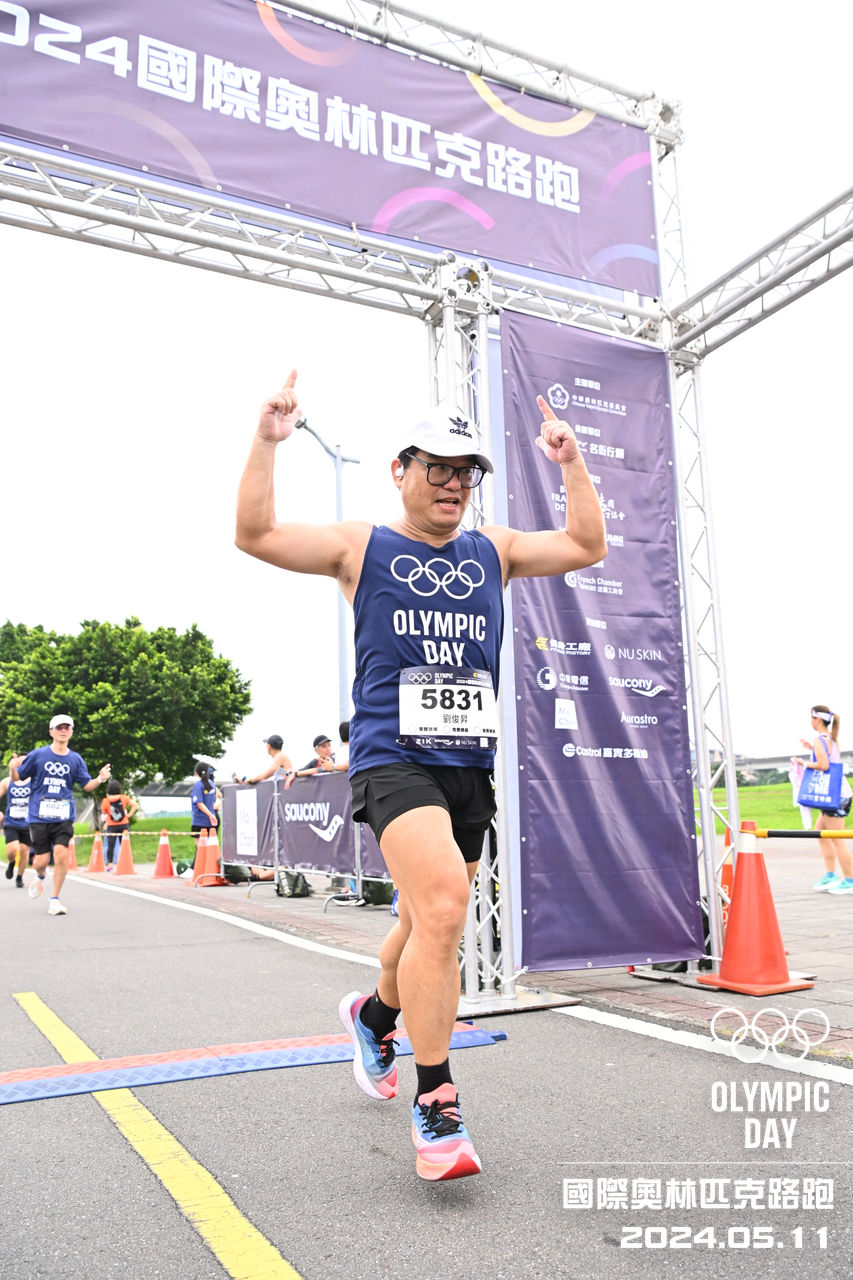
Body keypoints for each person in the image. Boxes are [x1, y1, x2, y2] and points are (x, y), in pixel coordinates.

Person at [235, 369, 606, 1181]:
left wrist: (571, 464)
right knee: (442, 908)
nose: (452, 483)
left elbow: (585, 546)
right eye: (436, 467)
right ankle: (437, 1103)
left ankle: (373, 1016)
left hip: (465, 763)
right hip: (392, 759)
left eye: (465, 471)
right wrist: (267, 443)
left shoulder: (493, 550)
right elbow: (256, 534)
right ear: (399, 470)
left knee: (425, 919)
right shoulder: (359, 546)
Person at [13, 714, 110, 915]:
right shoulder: (38, 755)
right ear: (51, 732)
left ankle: (55, 899)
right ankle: (40, 875)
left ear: (71, 732)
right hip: (39, 816)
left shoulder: (75, 759)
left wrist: (100, 779)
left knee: (61, 854)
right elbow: (18, 778)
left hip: (63, 817)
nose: (63, 731)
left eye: (67, 727)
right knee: (40, 862)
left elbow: (86, 785)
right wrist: (12, 769)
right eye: (59, 727)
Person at [795, 706, 853, 894]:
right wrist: (811, 749)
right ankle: (830, 875)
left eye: (811, 717)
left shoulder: (820, 739)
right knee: (820, 832)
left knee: (837, 839)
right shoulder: (830, 738)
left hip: (835, 796)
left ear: (817, 720)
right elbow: (828, 757)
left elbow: (824, 765)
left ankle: (850, 880)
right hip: (836, 794)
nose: (810, 721)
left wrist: (804, 763)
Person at [1, 753, 32, 888]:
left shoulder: (34, 781)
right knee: (13, 849)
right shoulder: (7, 781)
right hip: (11, 821)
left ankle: (19, 877)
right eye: (19, 762)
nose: (22, 765)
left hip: (28, 822)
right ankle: (12, 862)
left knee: (24, 850)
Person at [100, 779, 138, 869]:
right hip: (124, 824)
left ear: (108, 789)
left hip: (111, 825)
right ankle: (126, 864)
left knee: (111, 845)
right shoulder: (123, 798)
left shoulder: (105, 800)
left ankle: (110, 865)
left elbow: (104, 812)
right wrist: (129, 815)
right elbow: (135, 805)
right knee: (125, 844)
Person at [190, 761, 218, 849]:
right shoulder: (212, 785)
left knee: (200, 850)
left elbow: (199, 803)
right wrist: (212, 815)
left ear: (196, 772)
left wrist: (210, 815)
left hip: (199, 821)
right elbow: (214, 801)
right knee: (209, 849)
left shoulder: (198, 785)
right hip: (210, 822)